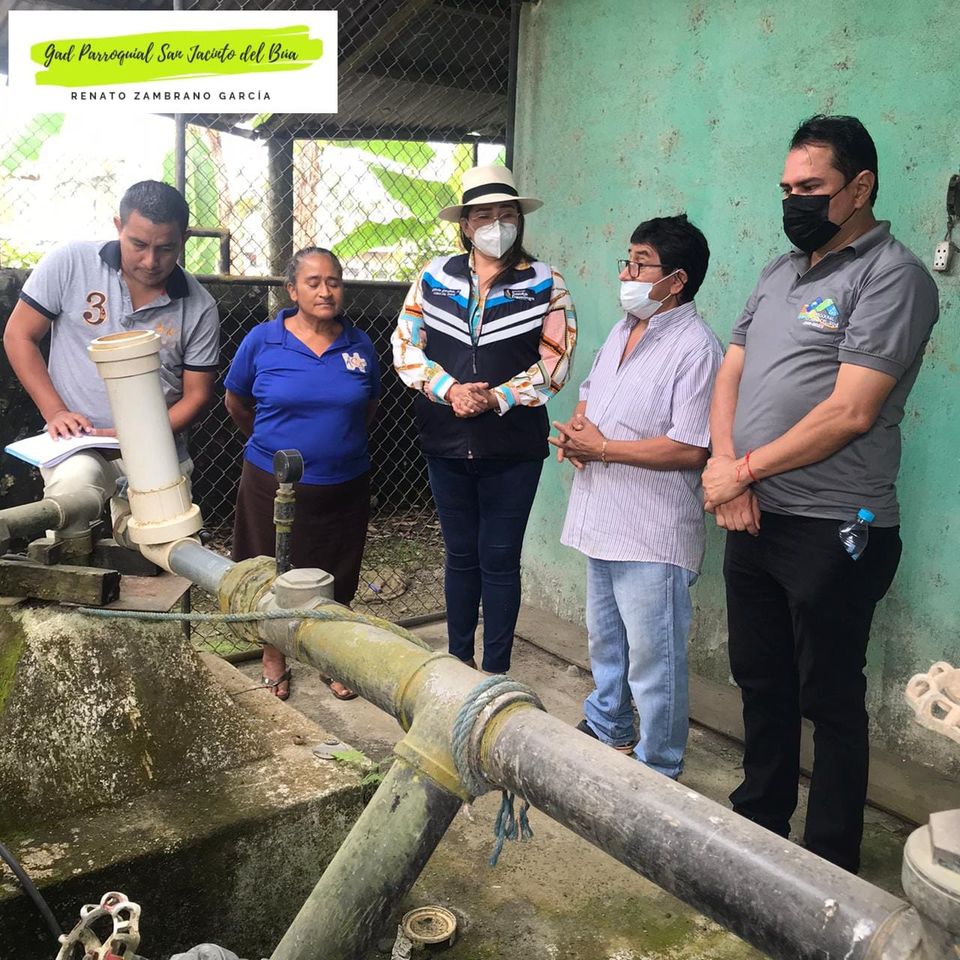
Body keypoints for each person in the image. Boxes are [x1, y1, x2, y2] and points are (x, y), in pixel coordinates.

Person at [702, 115, 939, 872]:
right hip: (754, 514)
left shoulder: (893, 276)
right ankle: (760, 821)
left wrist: (740, 471)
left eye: (811, 187)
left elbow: (850, 411)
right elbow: (731, 373)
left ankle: (829, 861)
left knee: (829, 699)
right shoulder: (779, 272)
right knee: (760, 680)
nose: (793, 201)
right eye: (786, 188)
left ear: (860, 187)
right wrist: (727, 468)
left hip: (836, 524)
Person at [551, 215, 722, 779]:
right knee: (607, 642)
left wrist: (603, 448)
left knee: (654, 660)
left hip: (652, 530)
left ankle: (659, 765)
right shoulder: (623, 329)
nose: (626, 273)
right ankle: (609, 726)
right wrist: (579, 434)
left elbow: (691, 447)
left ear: (676, 280)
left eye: (640, 263)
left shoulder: (697, 348)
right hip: (603, 516)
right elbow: (589, 393)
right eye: (627, 260)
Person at [392, 164, 577, 674]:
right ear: (465, 224)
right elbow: (405, 345)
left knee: (499, 559)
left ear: (519, 219)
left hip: (513, 447)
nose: (497, 224)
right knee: (459, 556)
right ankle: (457, 662)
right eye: (484, 215)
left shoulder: (546, 282)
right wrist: (450, 390)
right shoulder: (433, 277)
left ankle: (495, 671)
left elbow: (557, 360)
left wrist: (497, 398)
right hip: (445, 441)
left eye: (507, 214)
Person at [3, 180, 219, 534]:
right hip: (77, 442)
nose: (150, 261)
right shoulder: (71, 262)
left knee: (164, 536)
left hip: (156, 447)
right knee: (71, 502)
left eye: (166, 248)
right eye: (139, 244)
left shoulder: (200, 306)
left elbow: (197, 395)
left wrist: (135, 435)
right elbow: (19, 335)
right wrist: (55, 412)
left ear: (185, 238)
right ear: (119, 227)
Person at [225, 247, 380, 701]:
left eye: (334, 281)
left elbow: (368, 407)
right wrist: (275, 451)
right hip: (271, 484)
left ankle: (332, 657)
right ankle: (273, 655)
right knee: (271, 569)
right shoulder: (263, 340)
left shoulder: (359, 344)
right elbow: (236, 403)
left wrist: (334, 444)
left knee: (338, 572)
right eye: (313, 282)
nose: (325, 291)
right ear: (292, 290)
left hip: (344, 483)